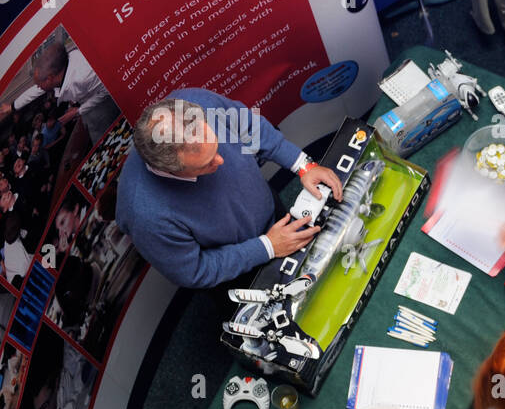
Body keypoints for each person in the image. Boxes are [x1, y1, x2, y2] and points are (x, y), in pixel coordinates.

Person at [116, 89, 342, 289]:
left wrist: (303, 165)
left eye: (216, 145)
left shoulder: (195, 101)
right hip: (240, 269)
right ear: (171, 170)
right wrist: (267, 247)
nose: (221, 161)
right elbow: (195, 271)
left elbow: (250, 128)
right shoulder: (144, 215)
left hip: (268, 210)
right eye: (206, 163)